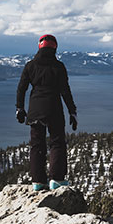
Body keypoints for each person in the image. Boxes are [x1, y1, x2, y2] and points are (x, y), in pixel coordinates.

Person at [15, 34, 78, 191]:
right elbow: (65, 91)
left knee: (37, 145)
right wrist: (72, 111)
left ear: (39, 46)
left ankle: (38, 182)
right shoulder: (59, 67)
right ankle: (56, 179)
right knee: (57, 142)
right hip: (54, 108)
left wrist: (20, 108)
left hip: (35, 109)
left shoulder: (30, 66)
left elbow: (21, 88)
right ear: (55, 48)